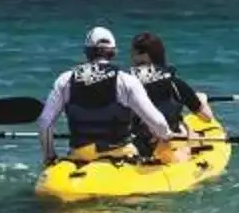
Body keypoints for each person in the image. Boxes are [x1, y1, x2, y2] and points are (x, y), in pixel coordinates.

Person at [35, 26, 177, 166]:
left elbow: (45, 123)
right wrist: (167, 135)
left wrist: (50, 157)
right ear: (113, 52)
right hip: (119, 156)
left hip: (79, 157)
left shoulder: (65, 80)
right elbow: (157, 122)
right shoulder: (126, 80)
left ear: (87, 52)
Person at [126, 32, 215, 135]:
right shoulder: (174, 83)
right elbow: (207, 117)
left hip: (136, 139)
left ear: (144, 55)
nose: (131, 55)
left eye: (133, 52)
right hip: (168, 139)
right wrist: (202, 100)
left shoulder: (124, 81)